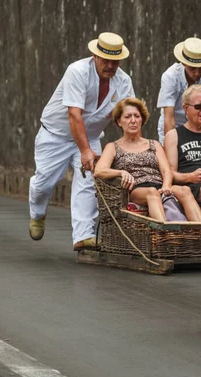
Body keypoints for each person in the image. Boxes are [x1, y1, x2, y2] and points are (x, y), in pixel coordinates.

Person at [28, 32, 135, 251]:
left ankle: (83, 236)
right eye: (106, 60)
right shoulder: (77, 71)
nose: (110, 66)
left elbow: (127, 114)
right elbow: (74, 115)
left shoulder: (124, 81)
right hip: (55, 136)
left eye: (115, 62)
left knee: (89, 183)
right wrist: (85, 151)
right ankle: (37, 213)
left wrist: (130, 146)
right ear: (95, 56)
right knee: (43, 184)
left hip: (92, 137)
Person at [95, 98, 173, 222]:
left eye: (137, 116)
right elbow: (99, 171)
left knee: (184, 191)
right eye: (127, 117)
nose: (133, 120)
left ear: (142, 120)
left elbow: (166, 171)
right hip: (136, 189)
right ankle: (165, 233)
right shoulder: (113, 147)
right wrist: (121, 173)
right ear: (119, 121)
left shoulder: (154, 144)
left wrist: (166, 186)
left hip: (160, 187)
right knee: (152, 193)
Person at [156, 37, 201, 144]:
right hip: (175, 125)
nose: (197, 73)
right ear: (183, 63)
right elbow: (169, 117)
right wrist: (171, 147)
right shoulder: (170, 76)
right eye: (193, 68)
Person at [164, 85, 201, 222]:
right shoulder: (174, 135)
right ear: (185, 108)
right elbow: (169, 173)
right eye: (198, 107)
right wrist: (190, 177)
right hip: (191, 185)